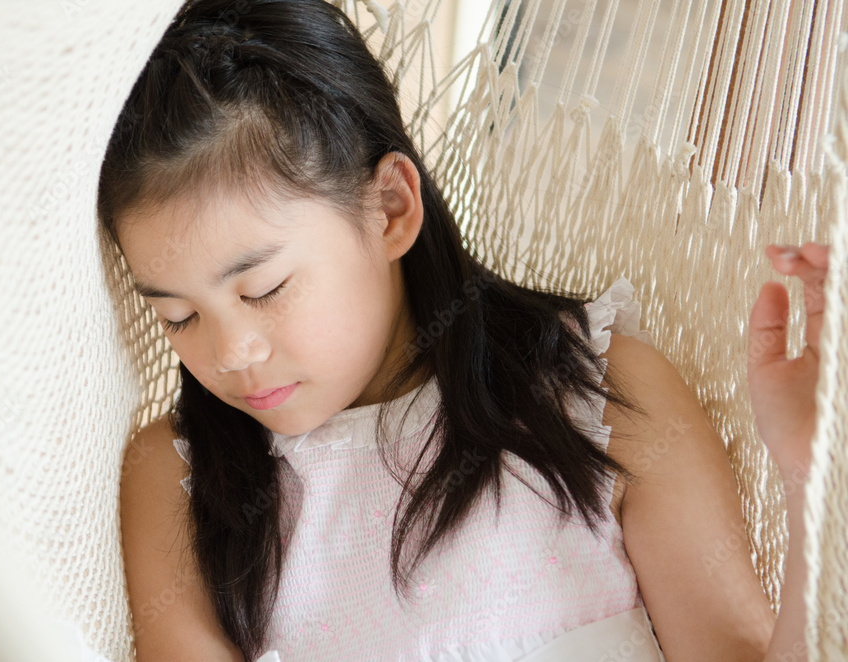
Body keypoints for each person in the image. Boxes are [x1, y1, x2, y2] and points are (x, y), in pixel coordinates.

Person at [97, 0, 830, 659]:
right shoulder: (182, 480)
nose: (231, 353)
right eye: (177, 317)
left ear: (390, 209)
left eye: (264, 289)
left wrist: (811, 478)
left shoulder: (598, 395)